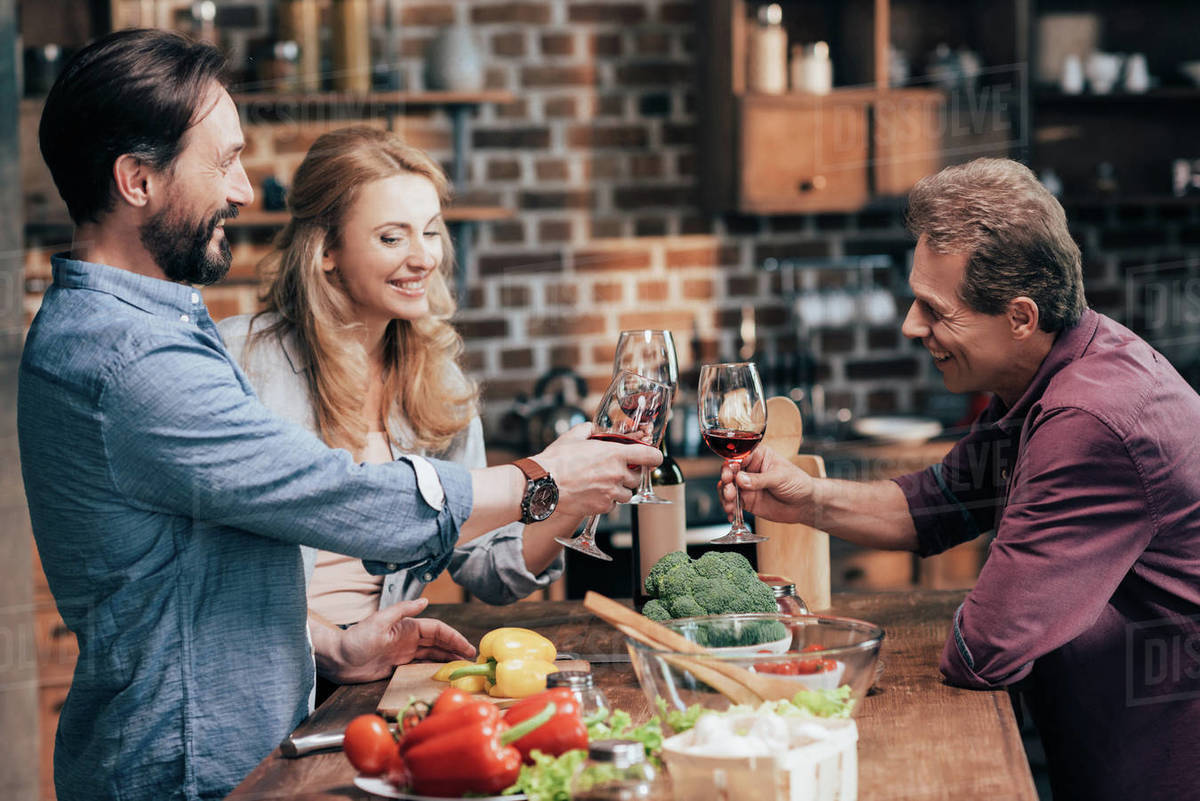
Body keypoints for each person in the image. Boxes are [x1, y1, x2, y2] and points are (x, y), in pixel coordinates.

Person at [19, 29, 659, 801]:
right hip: (190, 775)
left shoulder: (151, 331)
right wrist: (539, 478)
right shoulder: (137, 362)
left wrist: (331, 648)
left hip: (249, 742)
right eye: (223, 160)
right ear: (137, 180)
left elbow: (213, 571)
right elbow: (339, 495)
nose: (245, 190)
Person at [723, 158, 1200, 801]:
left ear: (1021, 317)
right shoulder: (1054, 370)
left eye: (935, 309)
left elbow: (984, 649)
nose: (911, 326)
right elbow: (941, 503)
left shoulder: (1089, 419)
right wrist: (808, 499)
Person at [217, 127, 580, 684]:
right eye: (392, 238)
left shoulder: (437, 379)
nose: (424, 258)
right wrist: (331, 643)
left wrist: (577, 493)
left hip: (380, 677)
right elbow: (215, 568)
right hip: (263, 677)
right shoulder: (239, 358)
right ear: (327, 251)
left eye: (431, 233)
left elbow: (490, 568)